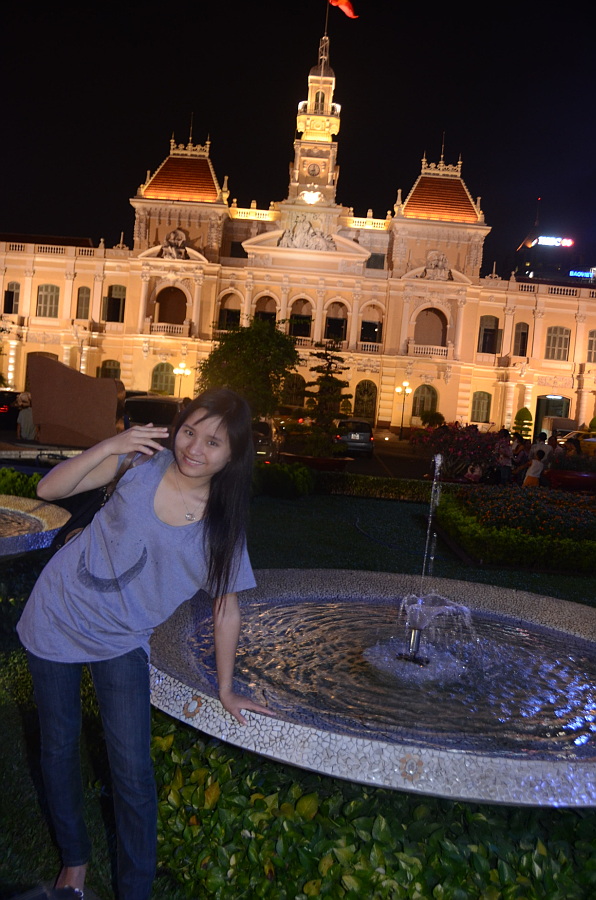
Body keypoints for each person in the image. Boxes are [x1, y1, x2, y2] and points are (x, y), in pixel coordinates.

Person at [17, 388, 272, 900]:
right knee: (59, 747)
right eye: (189, 431)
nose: (194, 448)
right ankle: (74, 863)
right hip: (56, 613)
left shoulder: (222, 528)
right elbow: (49, 488)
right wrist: (113, 444)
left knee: (133, 773)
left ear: (233, 455)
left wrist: (226, 688)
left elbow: (226, 608)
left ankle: (135, 891)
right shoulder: (139, 464)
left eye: (213, 442)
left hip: (122, 640)